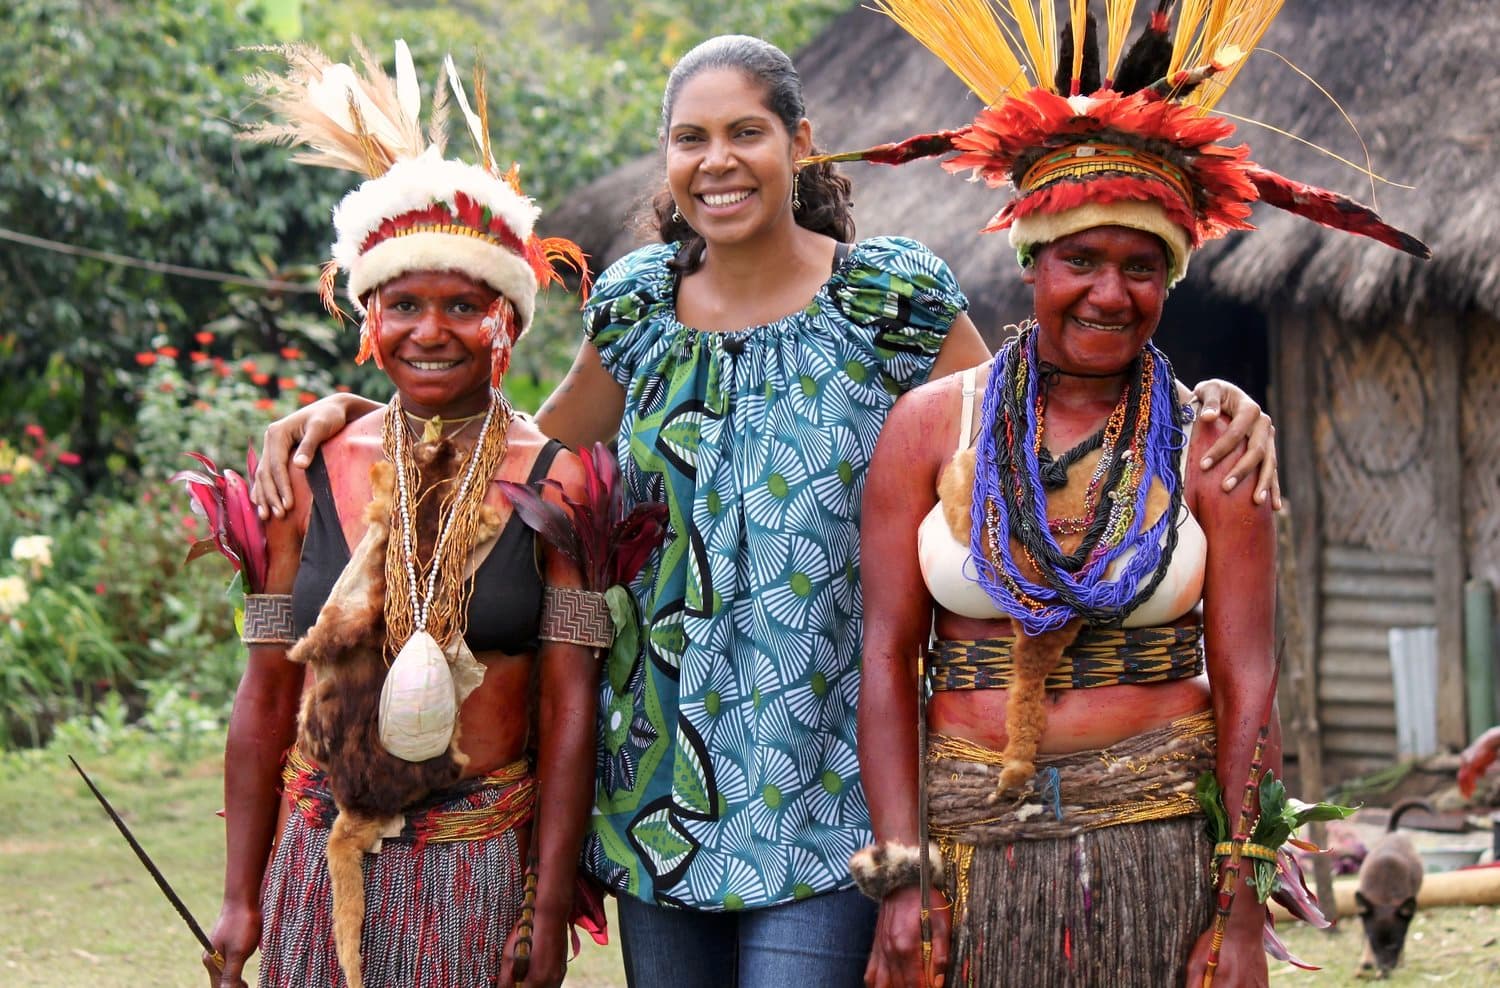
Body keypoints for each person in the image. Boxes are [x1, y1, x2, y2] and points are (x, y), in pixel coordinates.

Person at [247, 35, 1279, 988]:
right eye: (690, 138)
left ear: (800, 144)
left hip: (826, 794)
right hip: (655, 794)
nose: (718, 159)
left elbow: (1023, 419)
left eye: (746, 131)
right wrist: (358, 414)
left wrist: (1203, 409)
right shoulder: (640, 306)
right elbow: (525, 458)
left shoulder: (888, 303)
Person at [840, 3, 1430, 986]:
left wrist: (1239, 908)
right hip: (970, 850)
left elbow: (1250, 684)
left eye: (1141, 267)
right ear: (1033, 261)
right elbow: (887, 659)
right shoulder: (929, 427)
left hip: (1160, 846)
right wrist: (903, 879)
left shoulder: (1213, 446)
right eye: (1082, 260)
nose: (1110, 293)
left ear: (1172, 279)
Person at [204, 43, 600, 988]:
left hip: (479, 870)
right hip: (318, 861)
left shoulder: (559, 484)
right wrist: (239, 894)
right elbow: (263, 696)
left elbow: (569, 704)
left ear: (506, 322)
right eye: (405, 305)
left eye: (463, 305)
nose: (431, 331)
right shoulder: (303, 472)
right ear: (368, 319)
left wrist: (546, 908)